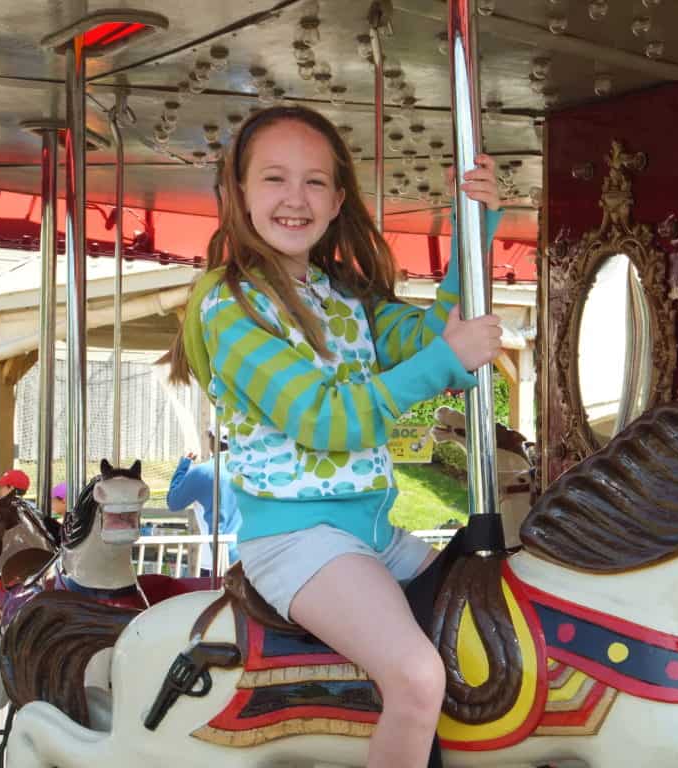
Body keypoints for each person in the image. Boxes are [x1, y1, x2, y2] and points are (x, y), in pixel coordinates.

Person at [165, 104, 502, 768]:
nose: (296, 198)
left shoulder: (343, 295)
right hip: (296, 540)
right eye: (274, 179)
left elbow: (432, 338)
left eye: (316, 181)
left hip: (374, 532)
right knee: (417, 674)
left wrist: (473, 231)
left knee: (487, 636)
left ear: (338, 198)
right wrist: (445, 362)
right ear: (237, 192)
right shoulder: (227, 305)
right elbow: (327, 419)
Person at [166, 435, 242, 574]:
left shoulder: (202, 472)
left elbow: (173, 502)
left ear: (212, 442)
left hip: (215, 562)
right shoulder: (250, 469)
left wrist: (184, 465)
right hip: (251, 556)